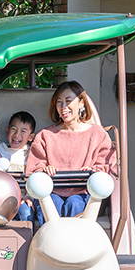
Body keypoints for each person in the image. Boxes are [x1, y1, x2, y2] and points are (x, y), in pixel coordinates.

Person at [26, 81, 115, 218]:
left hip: (83, 193)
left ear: (81, 103)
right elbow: (35, 168)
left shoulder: (97, 135)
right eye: (59, 102)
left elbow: (105, 163)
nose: (63, 107)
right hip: (52, 193)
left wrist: (96, 171)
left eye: (68, 101)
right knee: (51, 203)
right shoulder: (45, 136)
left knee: (75, 203)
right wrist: (44, 170)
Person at [0, 111, 36, 222]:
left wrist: (29, 196)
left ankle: (28, 239)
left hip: (22, 198)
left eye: (23, 131)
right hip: (0, 197)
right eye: (14, 129)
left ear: (31, 137)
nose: (17, 135)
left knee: (26, 213)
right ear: (7, 130)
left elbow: (34, 176)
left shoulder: (30, 154)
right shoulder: (0, 150)